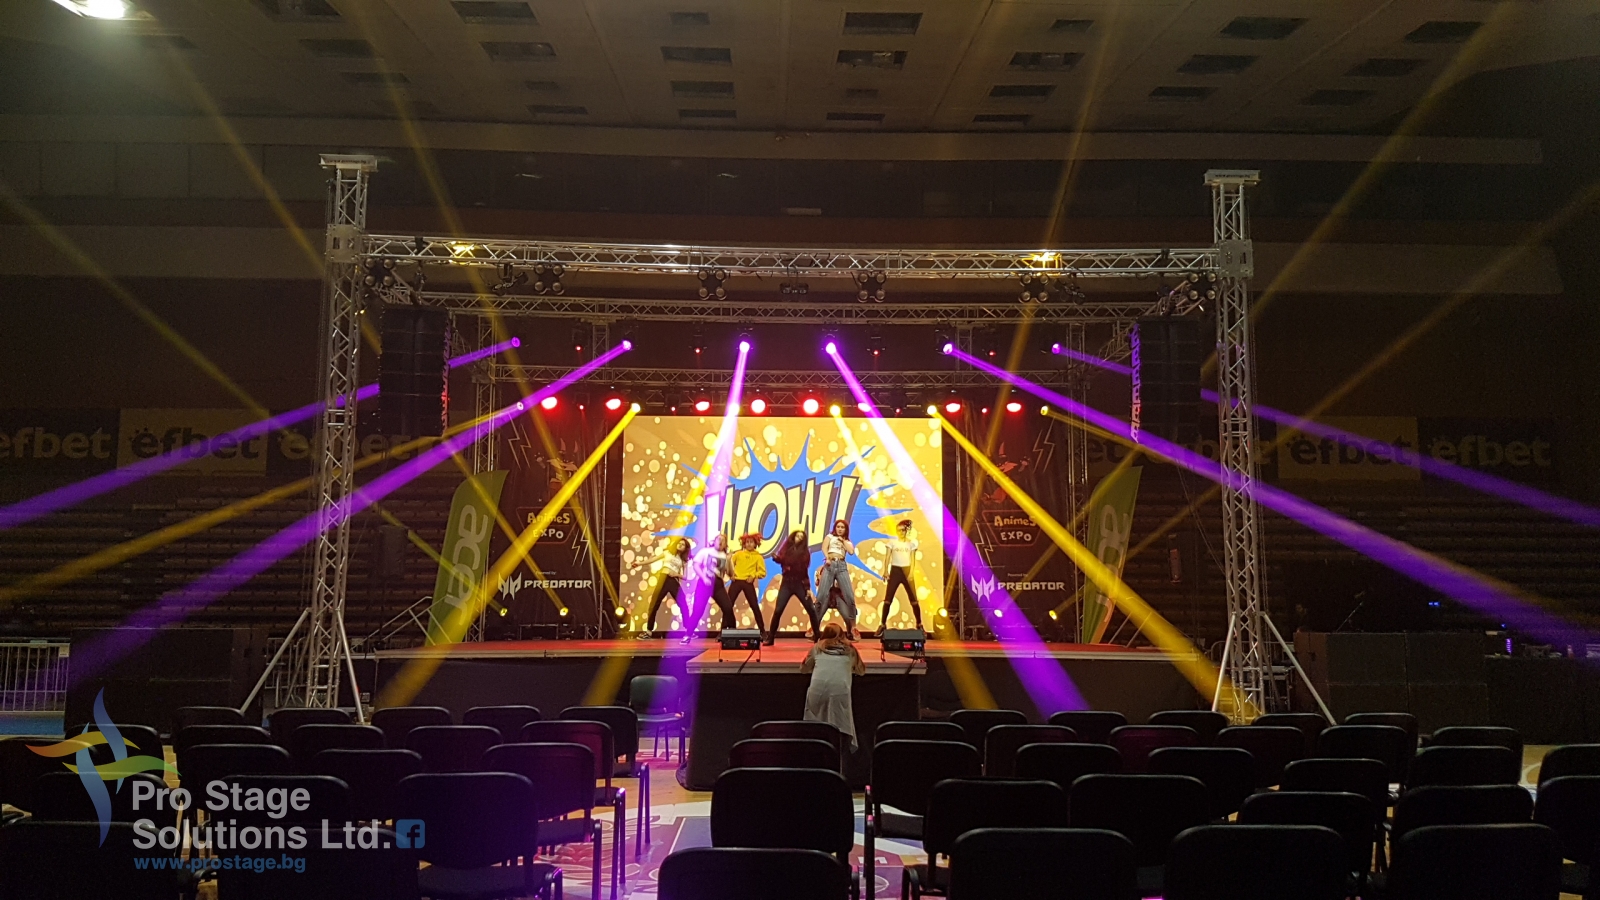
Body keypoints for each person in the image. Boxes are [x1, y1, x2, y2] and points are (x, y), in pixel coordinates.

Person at [801, 622, 866, 753]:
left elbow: (803, 669)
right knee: (841, 729)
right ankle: (840, 758)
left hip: (817, 694)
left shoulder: (817, 648)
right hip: (840, 693)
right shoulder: (850, 650)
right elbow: (861, 671)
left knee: (816, 729)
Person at [765, 529, 819, 646]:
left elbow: (804, 572)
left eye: (801, 537)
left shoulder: (805, 553)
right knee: (778, 610)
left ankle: (817, 637)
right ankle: (770, 638)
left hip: (800, 583)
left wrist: (807, 588)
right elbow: (782, 560)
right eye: (797, 536)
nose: (799, 538)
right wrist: (776, 558)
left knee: (811, 609)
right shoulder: (787, 549)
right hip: (787, 583)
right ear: (793, 537)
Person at [682, 533, 732, 644]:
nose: (720, 542)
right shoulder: (705, 551)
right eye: (719, 539)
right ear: (714, 541)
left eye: (723, 540)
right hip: (704, 583)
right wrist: (704, 577)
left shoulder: (726, 556)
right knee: (698, 610)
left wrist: (730, 561)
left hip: (718, 584)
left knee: (728, 608)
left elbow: (729, 573)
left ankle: (732, 635)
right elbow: (696, 565)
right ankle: (688, 635)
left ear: (725, 544)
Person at [876, 518, 922, 637]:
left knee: (914, 600)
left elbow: (913, 559)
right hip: (895, 570)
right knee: (888, 599)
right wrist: (886, 571)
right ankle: (882, 624)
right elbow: (887, 557)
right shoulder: (892, 543)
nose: (901, 532)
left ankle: (919, 624)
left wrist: (911, 573)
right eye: (899, 530)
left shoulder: (911, 544)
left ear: (906, 531)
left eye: (903, 530)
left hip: (907, 570)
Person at [816, 519, 859, 641]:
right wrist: (827, 558)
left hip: (841, 566)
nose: (840, 529)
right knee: (821, 596)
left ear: (845, 530)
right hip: (830, 565)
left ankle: (853, 627)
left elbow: (851, 552)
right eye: (838, 527)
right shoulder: (830, 537)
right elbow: (824, 547)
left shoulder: (847, 541)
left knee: (850, 597)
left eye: (842, 527)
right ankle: (814, 626)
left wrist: (843, 541)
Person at [642, 537, 692, 637]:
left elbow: (686, 577)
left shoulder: (683, 561)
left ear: (685, 549)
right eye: (679, 543)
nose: (680, 545)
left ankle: (689, 630)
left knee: (683, 604)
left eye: (683, 545)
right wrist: (639, 563)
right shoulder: (667, 553)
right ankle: (649, 631)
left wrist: (676, 574)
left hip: (673, 581)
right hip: (663, 579)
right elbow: (652, 560)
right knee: (654, 604)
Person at [726, 532, 768, 634]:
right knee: (728, 606)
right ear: (744, 544)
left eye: (751, 542)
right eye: (747, 542)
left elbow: (762, 572)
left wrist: (753, 576)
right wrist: (731, 574)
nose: (749, 544)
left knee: (754, 606)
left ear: (755, 544)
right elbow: (729, 566)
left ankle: (762, 631)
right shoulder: (738, 554)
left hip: (747, 582)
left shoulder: (758, 557)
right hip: (736, 581)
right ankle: (722, 631)